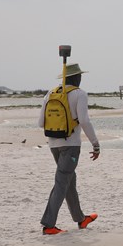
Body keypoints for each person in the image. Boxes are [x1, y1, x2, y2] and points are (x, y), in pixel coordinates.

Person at [37, 62, 101, 235]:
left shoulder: (51, 93)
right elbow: (85, 121)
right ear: (77, 77)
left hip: (53, 143)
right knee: (61, 182)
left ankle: (81, 219)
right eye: (80, 76)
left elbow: (40, 122)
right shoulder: (80, 94)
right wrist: (95, 144)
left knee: (68, 181)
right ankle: (48, 225)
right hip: (71, 145)